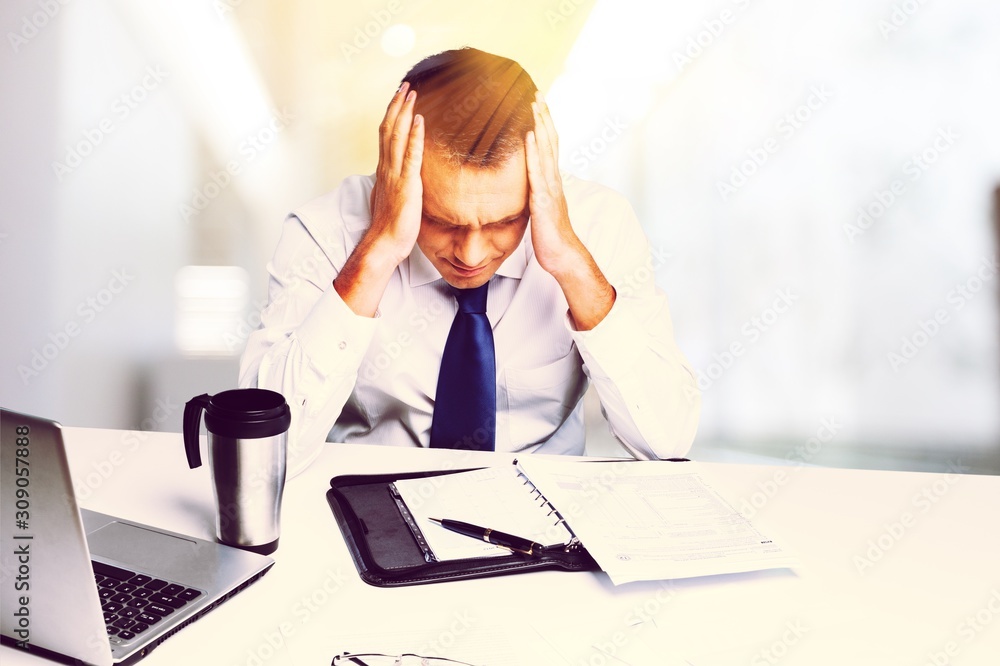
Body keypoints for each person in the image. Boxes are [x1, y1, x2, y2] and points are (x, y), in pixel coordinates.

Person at [239, 47, 700, 476]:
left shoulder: (600, 225)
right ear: (393, 177)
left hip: (541, 517)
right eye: (442, 220)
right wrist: (377, 250)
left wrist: (572, 265)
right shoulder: (325, 231)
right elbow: (262, 455)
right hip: (365, 500)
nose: (471, 255)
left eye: (504, 221)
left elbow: (667, 444)